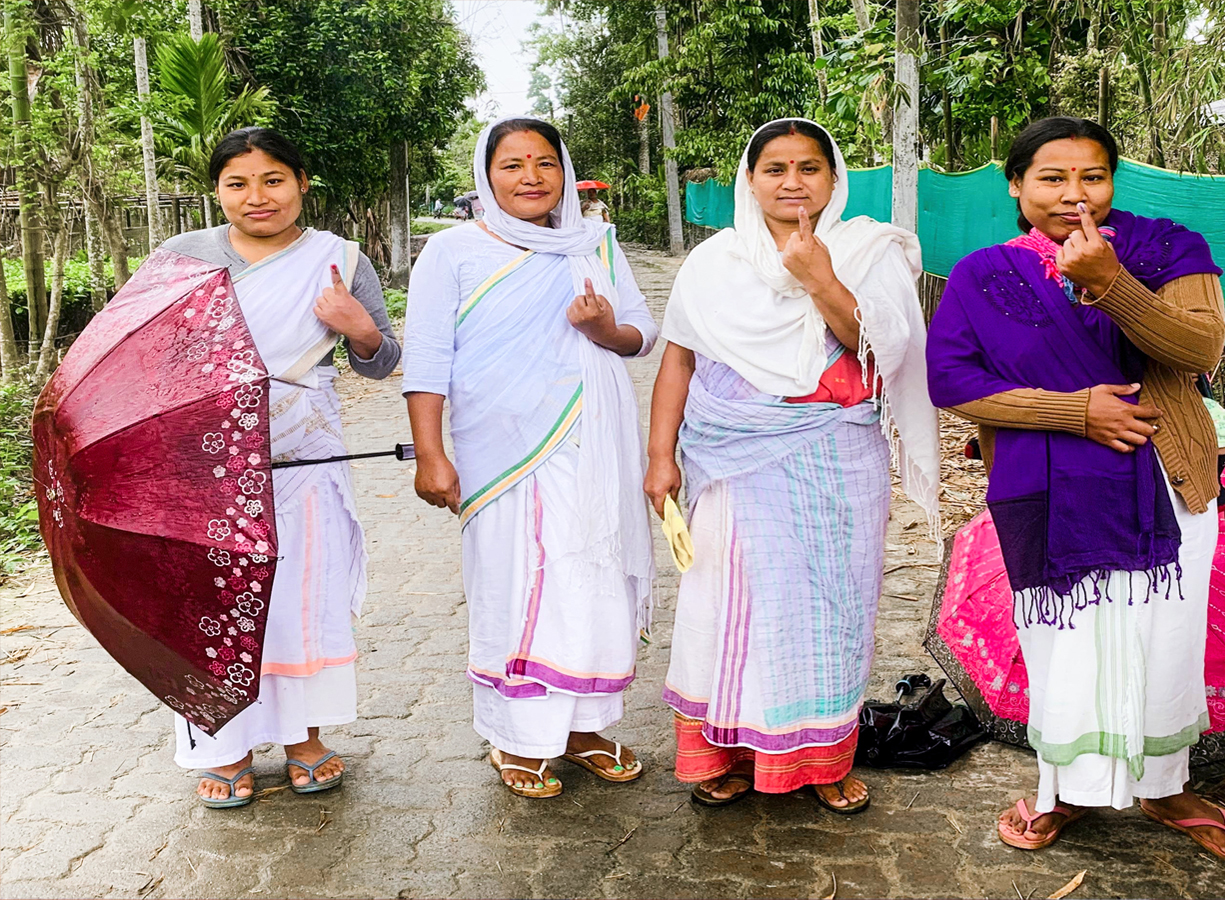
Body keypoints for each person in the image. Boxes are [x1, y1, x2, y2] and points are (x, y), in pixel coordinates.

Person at [926, 116, 1225, 864]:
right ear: (1015, 185)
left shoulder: (1167, 247)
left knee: (1166, 642)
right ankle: (1065, 791)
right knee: (1063, 647)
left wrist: (1111, 286)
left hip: (1165, 483)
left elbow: (1202, 348)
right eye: (1052, 178)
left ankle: (1166, 785)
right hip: (1043, 487)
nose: (1075, 195)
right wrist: (1074, 411)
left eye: (1093, 177)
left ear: (1114, 181)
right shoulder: (985, 274)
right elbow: (952, 381)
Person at [646, 118, 940, 814]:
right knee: (732, 607)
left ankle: (822, 758)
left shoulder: (868, 251)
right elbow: (679, 358)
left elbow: (879, 353)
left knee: (830, 605)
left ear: (834, 179)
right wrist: (660, 456)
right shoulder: (715, 261)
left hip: (835, 458)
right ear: (749, 181)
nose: (792, 181)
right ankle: (729, 752)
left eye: (809, 167)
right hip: (730, 457)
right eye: (774, 168)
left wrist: (820, 279)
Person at [402, 117, 657, 799]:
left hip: (594, 446)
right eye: (512, 164)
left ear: (565, 172)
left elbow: (641, 333)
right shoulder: (453, 250)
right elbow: (427, 357)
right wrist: (431, 452)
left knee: (592, 576)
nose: (531, 177)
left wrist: (604, 328)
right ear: (487, 176)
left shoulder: (594, 243)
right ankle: (516, 738)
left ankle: (583, 728)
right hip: (502, 450)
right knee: (517, 580)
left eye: (545, 162)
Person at [161, 127, 401, 808]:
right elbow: (148, 357)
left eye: (273, 180)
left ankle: (303, 737)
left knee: (302, 594)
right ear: (217, 191)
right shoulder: (183, 258)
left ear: (301, 183)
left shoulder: (339, 260)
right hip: (204, 455)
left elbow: (380, 363)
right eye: (238, 183)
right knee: (213, 601)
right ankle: (223, 746)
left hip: (304, 448)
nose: (257, 196)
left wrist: (358, 326)